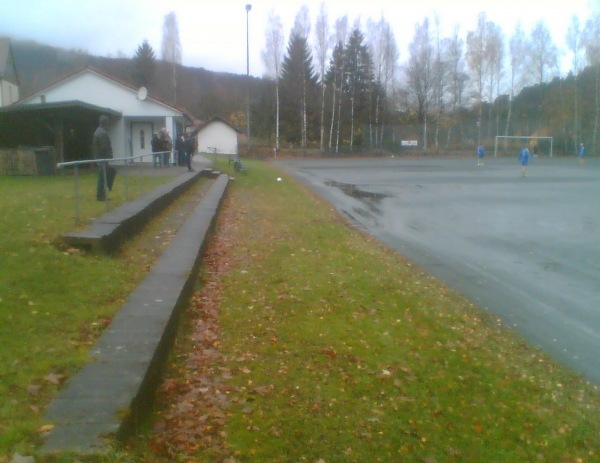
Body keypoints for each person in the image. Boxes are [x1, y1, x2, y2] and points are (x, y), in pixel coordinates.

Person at [93, 115, 116, 201]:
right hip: (102, 158)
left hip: (101, 158)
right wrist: (109, 156)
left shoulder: (99, 131)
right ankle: (101, 195)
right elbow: (104, 146)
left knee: (105, 175)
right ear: (105, 123)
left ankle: (102, 193)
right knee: (104, 176)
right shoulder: (102, 133)